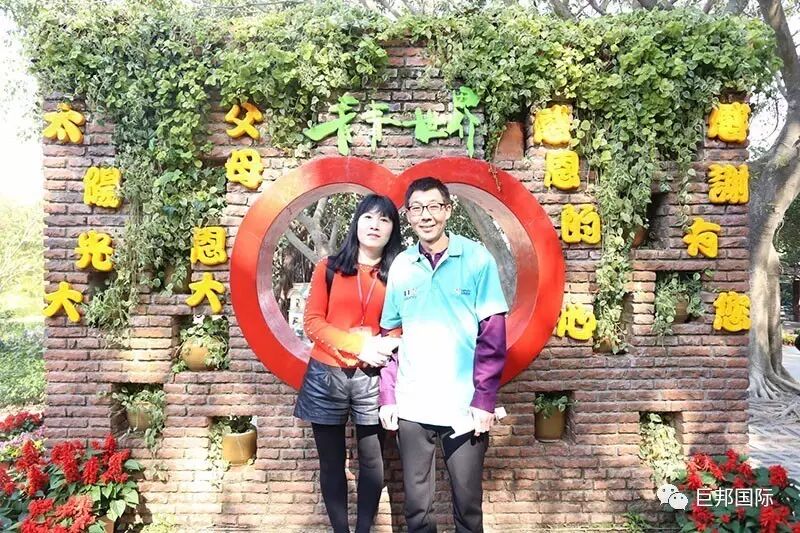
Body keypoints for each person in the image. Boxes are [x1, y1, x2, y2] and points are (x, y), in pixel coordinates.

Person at [378, 177, 509, 533]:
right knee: (417, 509)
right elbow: (391, 336)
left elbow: (493, 337)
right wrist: (388, 396)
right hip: (412, 403)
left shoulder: (477, 259)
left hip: (463, 406)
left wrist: (484, 399)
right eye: (417, 208)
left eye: (434, 206)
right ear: (408, 216)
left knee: (468, 506)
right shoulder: (402, 266)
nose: (426, 215)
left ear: (448, 211)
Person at [294, 194, 402, 533]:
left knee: (373, 462)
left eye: (384, 219)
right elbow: (313, 323)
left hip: (373, 376)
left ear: (393, 229)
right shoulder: (328, 268)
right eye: (368, 217)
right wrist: (360, 346)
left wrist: (386, 343)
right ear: (356, 222)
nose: (375, 225)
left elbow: (402, 323)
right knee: (331, 463)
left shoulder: (399, 274)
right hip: (326, 375)